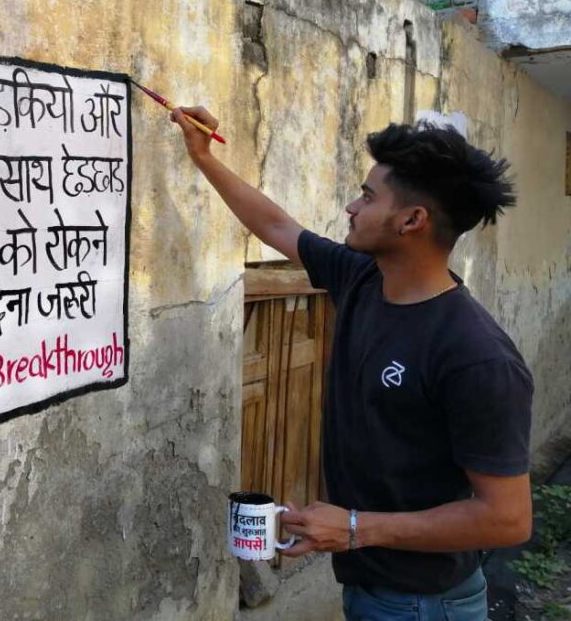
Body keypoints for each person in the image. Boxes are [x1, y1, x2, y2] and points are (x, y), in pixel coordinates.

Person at [170, 107, 534, 620]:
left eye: (367, 196)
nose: (350, 206)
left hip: (424, 605)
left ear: (412, 220)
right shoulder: (364, 278)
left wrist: (357, 529)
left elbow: (507, 520)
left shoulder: (475, 357)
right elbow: (276, 225)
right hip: (373, 590)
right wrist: (202, 156)